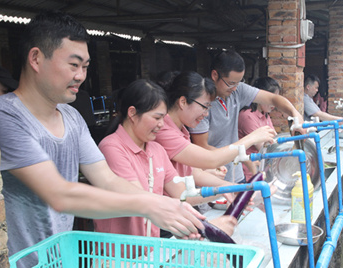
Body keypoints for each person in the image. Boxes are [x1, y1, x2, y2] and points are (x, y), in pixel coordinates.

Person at [0, 11, 202, 268]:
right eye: (73, 64)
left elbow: (108, 180)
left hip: (61, 264)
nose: (81, 75)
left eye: (86, 66)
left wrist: (168, 206)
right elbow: (59, 195)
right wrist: (149, 204)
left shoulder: (71, 117)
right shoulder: (4, 115)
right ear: (36, 58)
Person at [96, 79, 237, 238]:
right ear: (132, 113)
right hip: (118, 255)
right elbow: (138, 198)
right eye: (157, 118)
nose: (162, 125)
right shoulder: (112, 148)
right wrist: (203, 227)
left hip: (150, 250)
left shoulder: (157, 150)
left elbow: (183, 194)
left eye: (164, 118)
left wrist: (226, 191)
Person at [189, 50, 304, 183]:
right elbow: (203, 147)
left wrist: (296, 114)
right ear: (215, 75)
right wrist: (243, 151)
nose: (234, 88)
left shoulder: (237, 91)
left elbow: (273, 98)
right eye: (231, 83)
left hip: (237, 174)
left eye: (239, 82)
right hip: (212, 177)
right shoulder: (202, 105)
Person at [155, 71, 275, 189]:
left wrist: (233, 188)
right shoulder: (164, 131)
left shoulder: (182, 131)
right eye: (204, 106)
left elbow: (194, 172)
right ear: (183, 102)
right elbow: (212, 159)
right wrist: (253, 138)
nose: (206, 114)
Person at [238, 76, 281, 178]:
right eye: (271, 99)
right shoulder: (247, 116)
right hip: (249, 172)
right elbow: (264, 147)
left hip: (262, 167)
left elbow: (274, 138)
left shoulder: (265, 114)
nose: (273, 104)